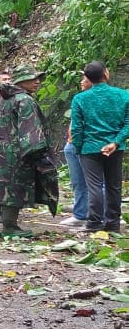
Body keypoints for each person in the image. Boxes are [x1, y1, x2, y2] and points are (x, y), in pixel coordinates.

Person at [0, 65, 58, 238]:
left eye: (38, 78)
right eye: (33, 78)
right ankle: (10, 227)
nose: (37, 81)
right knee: (13, 189)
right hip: (15, 155)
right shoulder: (24, 100)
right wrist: (38, 153)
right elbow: (30, 129)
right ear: (21, 80)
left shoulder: (3, 99)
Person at [70, 61, 129, 233]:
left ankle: (95, 222)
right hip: (115, 148)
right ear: (106, 73)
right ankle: (113, 223)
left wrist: (78, 148)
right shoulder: (123, 95)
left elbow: (77, 128)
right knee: (113, 186)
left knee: (94, 186)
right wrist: (116, 142)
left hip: (89, 149)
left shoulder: (80, 98)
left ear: (88, 78)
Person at [60, 74, 94, 227]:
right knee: (78, 181)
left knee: (96, 181)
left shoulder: (93, 99)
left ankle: (99, 213)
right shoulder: (80, 98)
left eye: (85, 80)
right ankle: (81, 211)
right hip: (73, 143)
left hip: (84, 144)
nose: (81, 82)